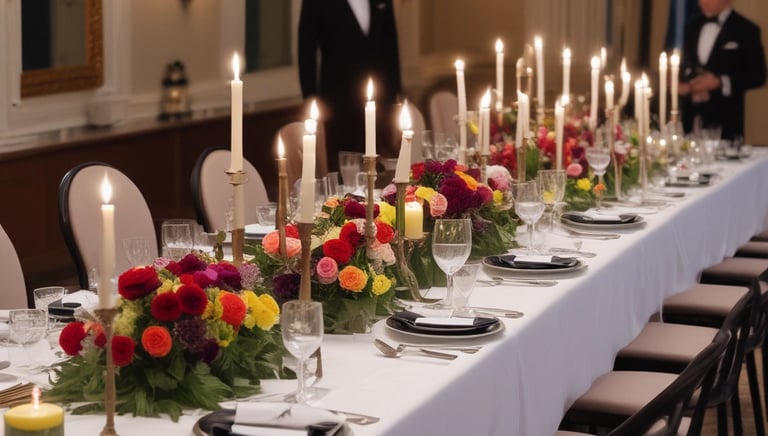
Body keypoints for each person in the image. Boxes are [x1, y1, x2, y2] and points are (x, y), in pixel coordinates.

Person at [298, 0, 402, 172]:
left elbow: (391, 45)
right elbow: (306, 51)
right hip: (337, 101)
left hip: (380, 100)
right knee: (343, 169)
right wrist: (310, 98)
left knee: (379, 168)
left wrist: (395, 96)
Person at [679, 0, 766, 140]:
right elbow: (686, 64)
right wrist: (684, 85)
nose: (701, 2)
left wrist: (720, 82)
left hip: (726, 121)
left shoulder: (746, 29)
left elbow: (758, 76)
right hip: (690, 117)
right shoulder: (691, 25)